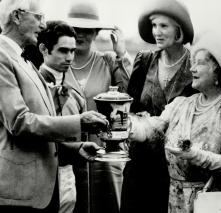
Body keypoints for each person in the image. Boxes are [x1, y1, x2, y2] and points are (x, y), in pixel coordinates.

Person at [125, 32, 221, 213]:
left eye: (200, 63)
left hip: (214, 203)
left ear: (218, 71)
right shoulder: (182, 104)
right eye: (193, 62)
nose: (192, 69)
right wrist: (130, 127)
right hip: (177, 201)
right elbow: (155, 127)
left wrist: (195, 155)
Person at [0, 0, 108, 212]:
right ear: (16, 16)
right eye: (38, 17)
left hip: (41, 192)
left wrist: (74, 149)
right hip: (19, 194)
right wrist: (79, 122)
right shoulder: (3, 58)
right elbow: (20, 122)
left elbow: (37, 132)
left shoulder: (23, 60)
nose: (43, 25)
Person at [120, 0, 197, 212]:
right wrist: (139, 123)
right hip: (139, 165)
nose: (157, 32)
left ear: (179, 30)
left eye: (164, 26)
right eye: (154, 26)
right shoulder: (144, 61)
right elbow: (129, 109)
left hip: (177, 169)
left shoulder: (196, 67)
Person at [64, 1, 132, 213]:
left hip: (105, 153)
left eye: (86, 30)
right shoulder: (59, 62)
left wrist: (122, 54)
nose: (80, 35)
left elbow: (129, 95)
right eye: (75, 30)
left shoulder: (109, 61)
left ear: (96, 33)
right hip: (68, 152)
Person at [37, 20, 86, 213]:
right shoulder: (31, 88)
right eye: (63, 50)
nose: (70, 57)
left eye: (73, 51)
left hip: (69, 176)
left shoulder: (75, 95)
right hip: (40, 176)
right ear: (44, 49)